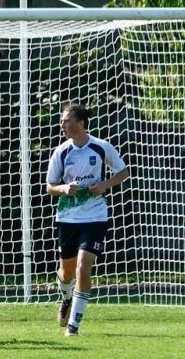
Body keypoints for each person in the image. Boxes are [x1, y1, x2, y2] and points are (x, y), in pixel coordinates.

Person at [45, 102, 130, 337]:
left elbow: (123, 172)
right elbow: (49, 186)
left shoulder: (102, 147)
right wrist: (64, 189)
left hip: (95, 216)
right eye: (62, 121)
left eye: (66, 120)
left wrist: (105, 184)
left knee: (84, 267)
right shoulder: (61, 152)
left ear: (80, 124)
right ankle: (66, 296)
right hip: (68, 217)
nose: (62, 124)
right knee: (67, 272)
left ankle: (74, 325)